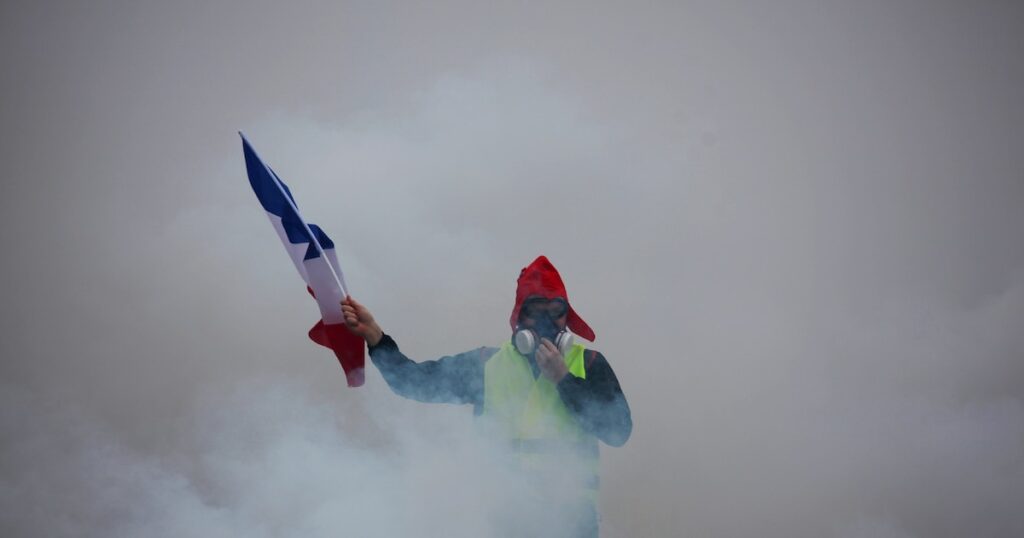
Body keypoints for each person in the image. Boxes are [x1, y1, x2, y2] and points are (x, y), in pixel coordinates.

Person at [341, 255, 632, 537]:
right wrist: (375, 337)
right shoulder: (485, 365)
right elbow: (411, 381)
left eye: (556, 311)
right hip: (506, 524)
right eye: (535, 310)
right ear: (519, 317)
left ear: (567, 316)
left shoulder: (589, 364)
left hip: (573, 527)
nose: (546, 321)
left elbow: (618, 432)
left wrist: (564, 380)